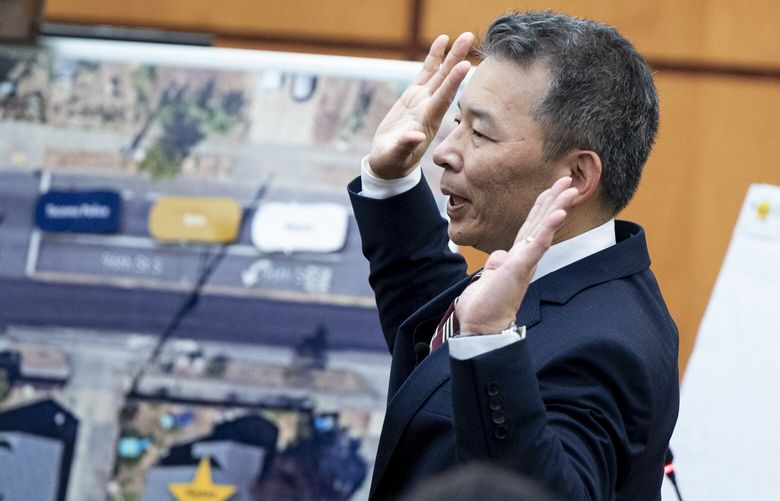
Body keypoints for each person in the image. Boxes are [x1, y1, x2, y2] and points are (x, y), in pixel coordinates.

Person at [347, 11, 679, 501]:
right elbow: (436, 365)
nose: (443, 151)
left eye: (480, 133)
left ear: (576, 176)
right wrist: (391, 182)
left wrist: (488, 340)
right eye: (457, 121)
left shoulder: (605, 347)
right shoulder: (559, 277)